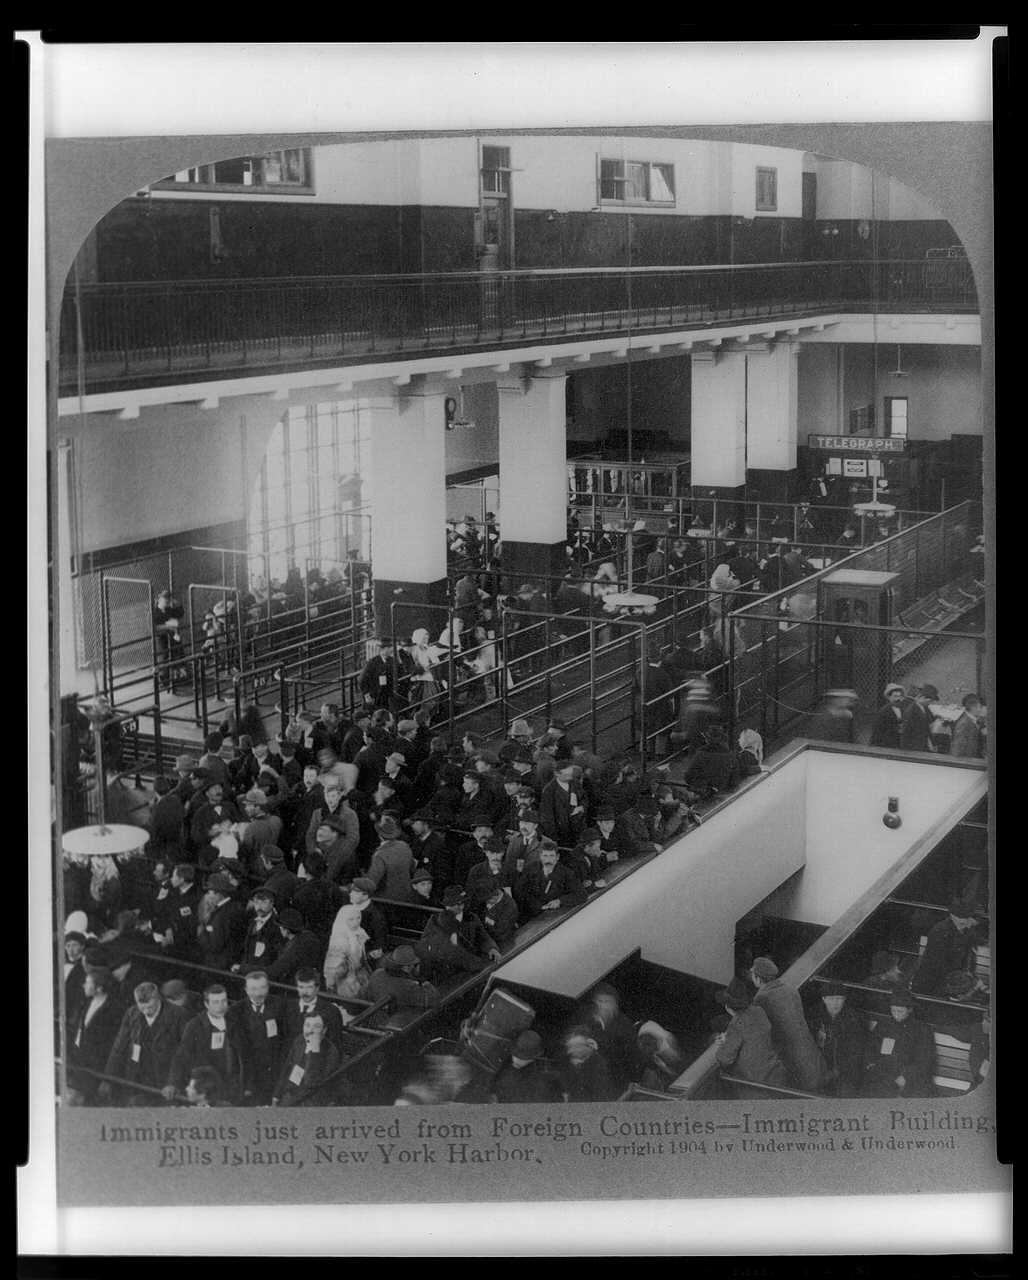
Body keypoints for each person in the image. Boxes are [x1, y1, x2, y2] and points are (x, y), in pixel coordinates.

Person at [101, 982, 189, 1105]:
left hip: (165, 1083)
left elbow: (183, 1053)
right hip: (137, 1080)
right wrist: (108, 1078)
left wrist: (173, 1083)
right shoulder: (132, 1013)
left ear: (158, 999)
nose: (147, 1011)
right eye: (142, 1008)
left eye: (151, 1007)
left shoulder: (178, 1015)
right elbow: (119, 1047)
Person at [749, 956, 826, 1092]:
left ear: (757, 978)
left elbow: (760, 1034)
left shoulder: (761, 998)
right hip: (814, 1060)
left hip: (794, 1066)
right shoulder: (791, 990)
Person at [165, 983, 246, 1104]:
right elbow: (181, 1056)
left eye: (224, 1001)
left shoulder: (235, 1021)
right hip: (208, 1090)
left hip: (232, 1089)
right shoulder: (195, 1026)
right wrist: (172, 1083)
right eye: (216, 1002)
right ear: (206, 1004)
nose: (221, 1006)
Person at [713, 978, 790, 1093]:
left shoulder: (736, 1025)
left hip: (757, 1085)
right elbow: (752, 1034)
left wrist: (725, 1042)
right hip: (776, 1074)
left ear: (728, 1007)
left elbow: (724, 1059)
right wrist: (729, 1037)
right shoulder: (759, 1011)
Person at [66, 966, 125, 1104]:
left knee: (78, 1101)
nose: (84, 985)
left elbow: (109, 1044)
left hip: (93, 1067)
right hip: (76, 1060)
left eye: (88, 983)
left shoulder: (113, 1010)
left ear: (99, 988)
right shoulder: (87, 1002)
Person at [227, 970, 288, 1105]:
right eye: (253, 988)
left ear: (268, 987)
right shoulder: (236, 1011)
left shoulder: (279, 1005)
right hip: (249, 1073)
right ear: (246, 990)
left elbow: (285, 1038)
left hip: (274, 1071)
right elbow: (238, 1049)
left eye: (262, 987)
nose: (259, 993)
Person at [415, 887, 501, 981]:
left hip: (470, 970)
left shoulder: (472, 918)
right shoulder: (435, 922)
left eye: (454, 904)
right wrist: (480, 965)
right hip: (448, 974)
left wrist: (491, 948)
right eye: (448, 905)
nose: (448, 908)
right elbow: (453, 952)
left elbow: (483, 937)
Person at [860, 991, 933, 1098]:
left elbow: (924, 1059)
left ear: (909, 1010)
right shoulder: (884, 1024)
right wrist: (870, 1062)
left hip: (908, 1074)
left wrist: (906, 1076)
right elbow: (871, 1046)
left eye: (900, 1011)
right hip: (884, 1071)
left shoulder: (921, 1029)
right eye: (893, 1011)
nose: (896, 1015)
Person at [911, 894, 983, 996]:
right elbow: (937, 964)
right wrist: (962, 981)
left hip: (951, 980)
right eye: (965, 919)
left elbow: (968, 954)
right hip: (933, 982)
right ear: (953, 916)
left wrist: (966, 975)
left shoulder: (967, 931)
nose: (969, 923)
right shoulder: (940, 932)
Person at [807, 984, 866, 1097]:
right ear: (824, 999)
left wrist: (836, 1072)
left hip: (844, 1069)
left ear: (844, 1000)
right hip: (819, 1064)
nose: (835, 1003)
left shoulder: (854, 1019)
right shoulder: (814, 1014)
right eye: (831, 999)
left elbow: (856, 1053)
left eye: (839, 999)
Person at [273, 1013, 342, 1106]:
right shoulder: (299, 1040)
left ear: (324, 1030)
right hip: (290, 1095)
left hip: (311, 1100)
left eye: (316, 1027)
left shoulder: (331, 1051)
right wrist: (276, 1095)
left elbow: (312, 1083)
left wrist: (314, 1051)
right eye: (307, 1025)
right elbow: (287, 1068)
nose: (310, 1030)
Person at [514, 840, 587, 922]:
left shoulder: (566, 873)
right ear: (540, 856)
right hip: (531, 915)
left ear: (557, 857)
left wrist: (560, 901)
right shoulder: (530, 869)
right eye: (545, 856)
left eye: (551, 856)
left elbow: (582, 894)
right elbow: (519, 891)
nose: (548, 860)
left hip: (553, 917)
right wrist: (535, 905)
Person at [490, 1030, 565, 1104]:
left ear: (532, 1058)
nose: (515, 1059)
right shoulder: (504, 1071)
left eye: (522, 1057)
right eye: (515, 1054)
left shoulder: (545, 1079)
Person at [366, 944, 441, 1012]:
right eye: (415, 964)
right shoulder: (408, 986)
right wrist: (426, 983)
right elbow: (434, 999)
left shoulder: (377, 973)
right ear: (407, 967)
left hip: (372, 1017)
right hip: (392, 1022)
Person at [322, 904, 372, 999]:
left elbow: (361, 957)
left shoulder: (359, 932)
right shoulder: (339, 939)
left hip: (359, 973)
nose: (356, 922)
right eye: (351, 919)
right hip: (343, 980)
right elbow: (334, 969)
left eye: (358, 918)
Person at [559, 1026, 619, 1102]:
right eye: (569, 1048)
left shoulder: (600, 1066)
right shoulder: (571, 1068)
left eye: (576, 1047)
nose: (570, 1052)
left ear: (591, 1045)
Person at [366, 815, 416, 900]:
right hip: (406, 897)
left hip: (386, 900)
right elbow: (412, 868)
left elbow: (371, 883)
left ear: (379, 835)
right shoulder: (405, 846)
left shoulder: (380, 855)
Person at [634, 1021, 685, 1092]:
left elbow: (680, 1082)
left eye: (648, 1044)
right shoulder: (647, 1069)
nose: (645, 1049)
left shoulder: (669, 1056)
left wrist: (663, 1067)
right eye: (643, 1045)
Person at [358, 640, 399, 712]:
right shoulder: (373, 662)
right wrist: (366, 694)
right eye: (389, 648)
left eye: (391, 648)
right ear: (383, 649)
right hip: (373, 695)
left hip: (385, 695)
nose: (391, 650)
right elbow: (362, 679)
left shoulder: (392, 661)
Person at [869, 683, 908, 750]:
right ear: (889, 697)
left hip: (899, 744)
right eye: (895, 696)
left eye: (900, 696)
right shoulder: (883, 712)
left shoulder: (903, 709)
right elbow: (877, 731)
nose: (898, 699)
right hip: (887, 744)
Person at [950, 694, 986, 759]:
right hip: (967, 762)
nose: (981, 710)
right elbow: (957, 750)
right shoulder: (964, 724)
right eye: (980, 707)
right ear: (973, 708)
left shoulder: (974, 720)